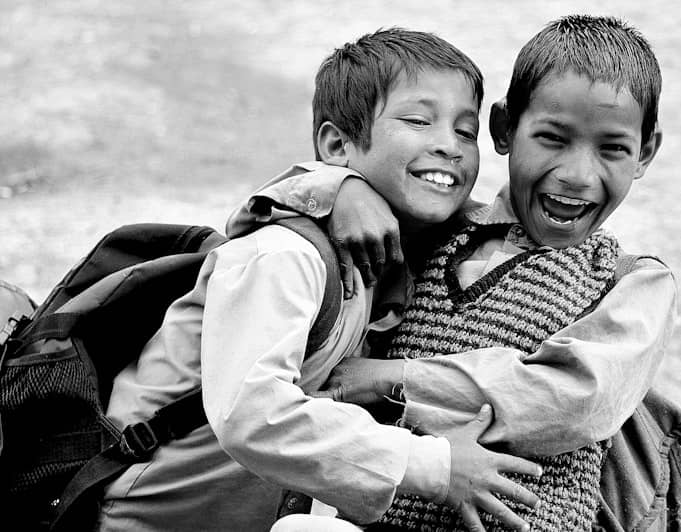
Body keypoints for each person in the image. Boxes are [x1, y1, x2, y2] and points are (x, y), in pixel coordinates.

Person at [97, 29, 543, 532]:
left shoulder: (402, 249)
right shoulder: (285, 255)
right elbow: (253, 416)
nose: (449, 146)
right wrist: (436, 466)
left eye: (466, 132)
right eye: (419, 121)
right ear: (337, 143)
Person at [263, 15, 681, 531]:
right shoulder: (431, 229)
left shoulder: (633, 282)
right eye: (553, 138)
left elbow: (577, 398)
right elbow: (255, 221)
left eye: (613, 149)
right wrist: (338, 189)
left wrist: (393, 381)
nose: (578, 175)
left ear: (645, 152)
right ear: (504, 129)